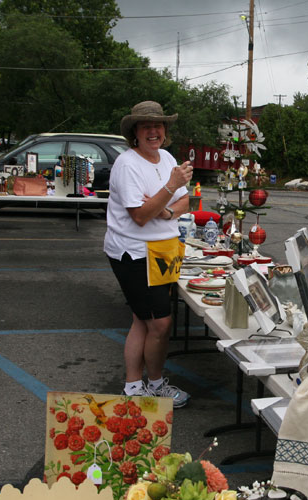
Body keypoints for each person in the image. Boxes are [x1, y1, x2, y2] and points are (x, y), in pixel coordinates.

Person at [104, 100, 193, 406]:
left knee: (143, 321)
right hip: (134, 252)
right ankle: (153, 384)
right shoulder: (127, 164)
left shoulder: (166, 156)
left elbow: (186, 203)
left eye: (158, 125)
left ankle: (134, 387)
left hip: (164, 249)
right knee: (160, 323)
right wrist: (169, 187)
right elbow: (140, 216)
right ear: (136, 133)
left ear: (164, 130)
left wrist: (164, 210)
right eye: (146, 127)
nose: (153, 131)